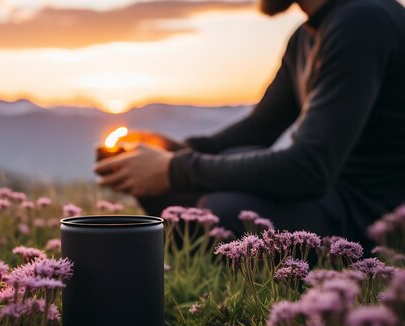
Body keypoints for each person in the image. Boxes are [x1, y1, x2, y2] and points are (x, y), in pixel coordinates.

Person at [94, 0, 405, 249]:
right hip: (327, 198)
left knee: (227, 207)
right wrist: (171, 151)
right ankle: (193, 247)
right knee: (229, 162)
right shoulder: (305, 37)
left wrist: (174, 170)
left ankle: (200, 248)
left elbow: (311, 168)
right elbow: (260, 128)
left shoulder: (363, 20)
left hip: (370, 217)